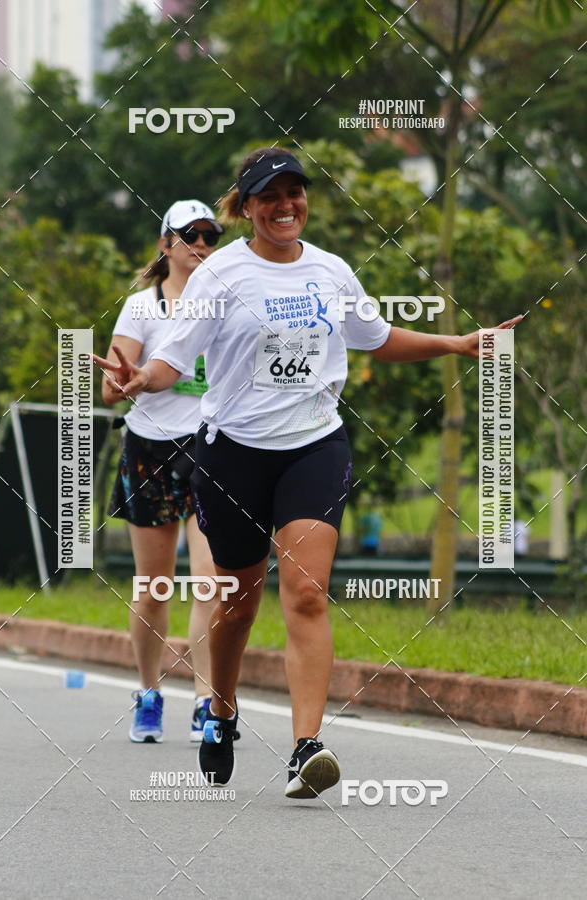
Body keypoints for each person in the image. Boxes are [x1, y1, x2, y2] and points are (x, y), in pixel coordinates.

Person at [94, 148, 521, 797]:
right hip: (233, 452)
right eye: (269, 196)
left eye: (294, 193)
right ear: (246, 207)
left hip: (313, 447)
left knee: (307, 593)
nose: (285, 206)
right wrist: (140, 379)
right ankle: (221, 711)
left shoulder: (331, 271)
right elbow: (172, 360)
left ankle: (306, 748)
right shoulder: (220, 275)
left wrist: (455, 344)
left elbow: (376, 337)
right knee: (237, 604)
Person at [100, 199, 231, 744]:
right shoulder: (141, 308)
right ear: (165, 244)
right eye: (189, 235)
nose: (200, 245)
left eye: (210, 236)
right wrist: (133, 377)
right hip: (149, 451)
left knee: (211, 583)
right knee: (154, 587)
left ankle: (205, 702)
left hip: (209, 449)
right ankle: (148, 693)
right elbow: (110, 390)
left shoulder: (227, 301)